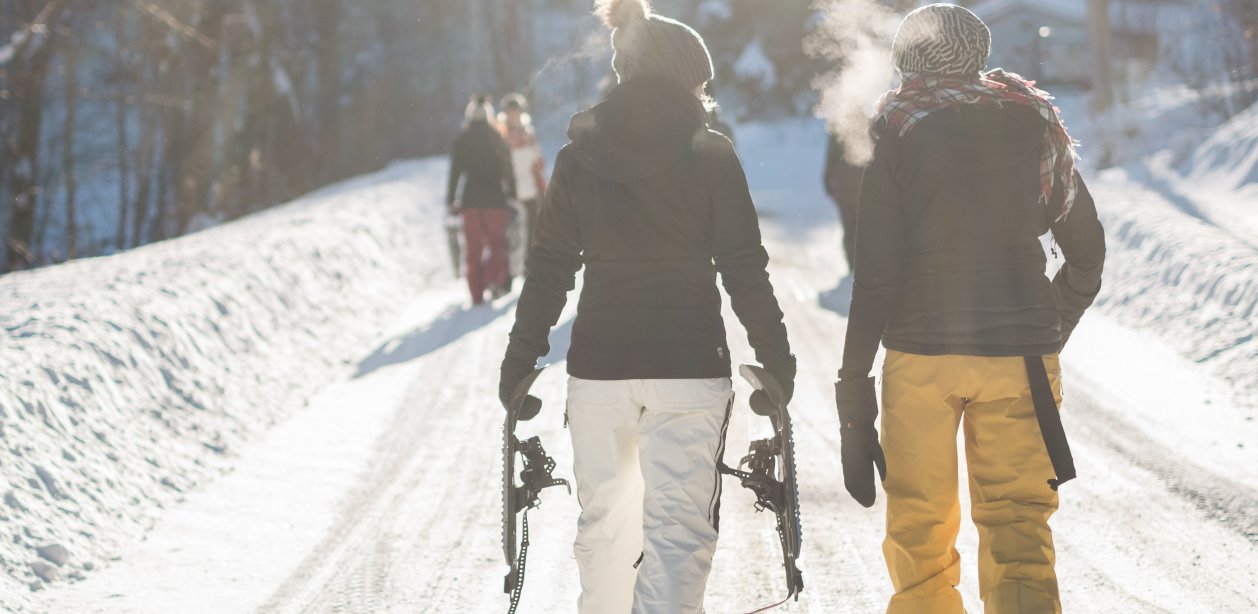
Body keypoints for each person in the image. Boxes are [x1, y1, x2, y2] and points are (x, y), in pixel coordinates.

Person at [499, 1, 795, 611]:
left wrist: (519, 360)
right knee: (678, 534)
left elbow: (549, 268)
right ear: (686, 77)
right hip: (689, 366)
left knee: (604, 526)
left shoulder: (578, 154)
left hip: (600, 369)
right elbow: (744, 268)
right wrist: (777, 359)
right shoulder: (710, 153)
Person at [833, 5, 1106, 614]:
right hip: (1020, 362)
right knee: (1019, 530)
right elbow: (1087, 254)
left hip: (920, 360)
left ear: (909, 62)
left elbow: (875, 276)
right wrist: (1046, 330)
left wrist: (853, 390)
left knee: (921, 530)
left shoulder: (897, 128)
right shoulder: (1036, 123)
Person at [447, 94, 516, 305]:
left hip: (470, 203)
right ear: (489, 114)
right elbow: (508, 169)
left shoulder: (462, 139)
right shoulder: (497, 136)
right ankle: (494, 279)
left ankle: (476, 294)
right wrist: (512, 194)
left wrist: (451, 199)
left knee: (473, 249)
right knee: (497, 244)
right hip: (496, 200)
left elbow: (455, 172)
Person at [499, 93, 548, 284]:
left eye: (516, 112)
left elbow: (539, 161)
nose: (514, 116)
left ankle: (529, 270)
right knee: (512, 235)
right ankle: (509, 273)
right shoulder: (502, 136)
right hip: (511, 193)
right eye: (510, 113)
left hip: (531, 190)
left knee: (532, 232)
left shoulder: (529, 134)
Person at [823, 131, 865, 271]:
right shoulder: (868, 123)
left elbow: (831, 157)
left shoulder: (839, 127)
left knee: (849, 226)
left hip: (843, 185)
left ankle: (851, 262)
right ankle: (861, 262)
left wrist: (827, 181)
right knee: (863, 227)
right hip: (862, 185)